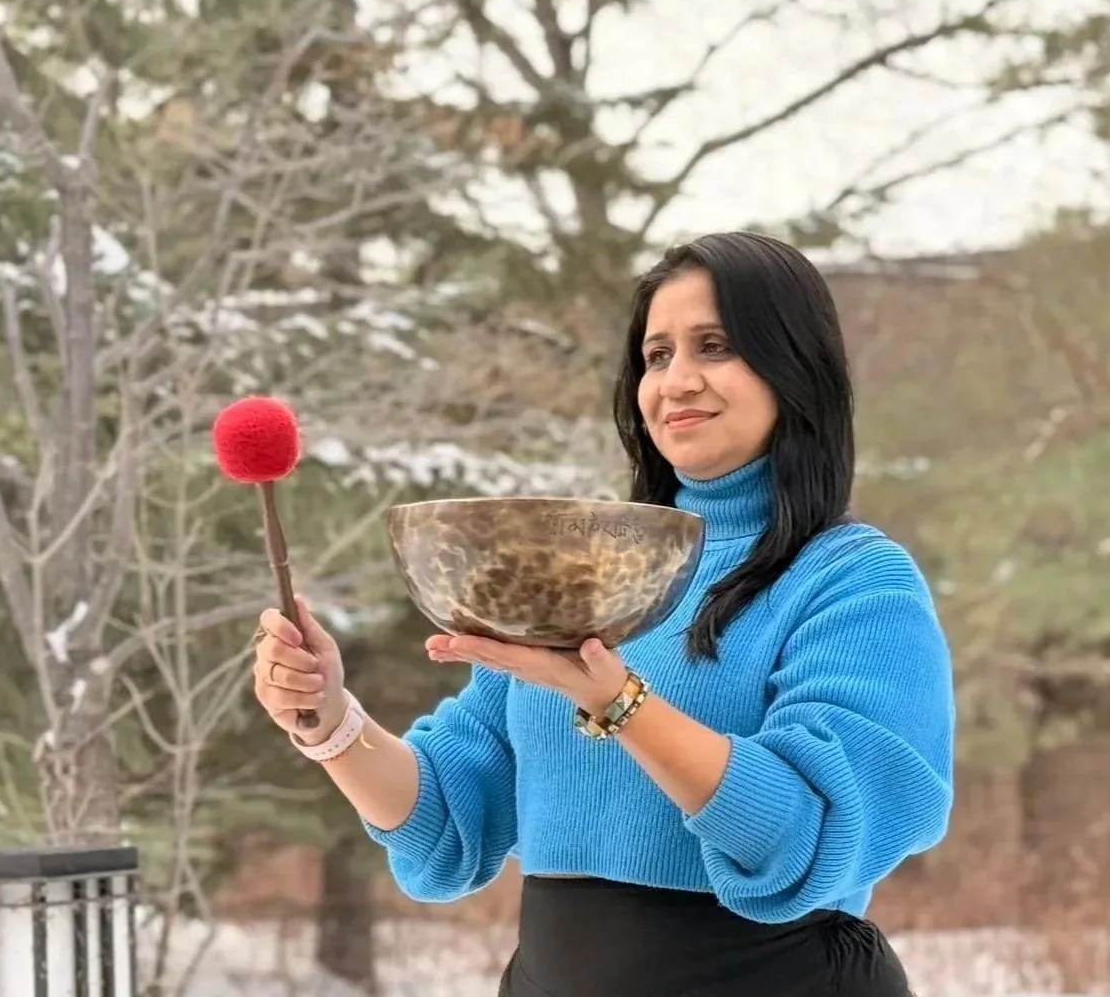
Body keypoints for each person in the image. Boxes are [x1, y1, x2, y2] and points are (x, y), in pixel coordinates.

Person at [250, 230, 954, 996]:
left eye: (713, 346)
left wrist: (614, 701)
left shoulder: (853, 581)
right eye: (656, 356)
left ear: (793, 366)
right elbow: (445, 817)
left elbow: (801, 835)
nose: (676, 380)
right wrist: (328, 718)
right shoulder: (586, 571)